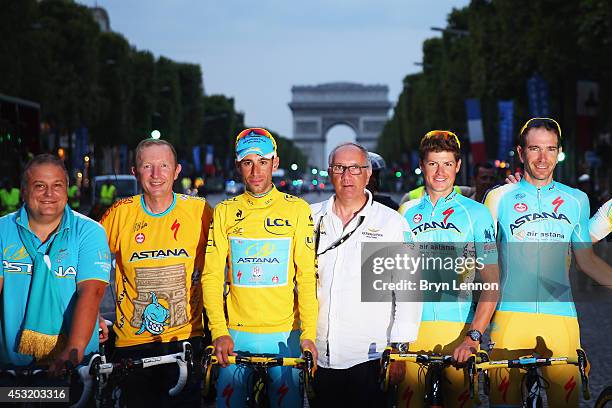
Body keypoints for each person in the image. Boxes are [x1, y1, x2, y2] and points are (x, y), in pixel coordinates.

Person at [484, 118, 612, 407]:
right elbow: (480, 259)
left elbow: (587, 260)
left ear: (559, 152)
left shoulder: (577, 199)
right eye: (535, 149)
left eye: (551, 149)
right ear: (520, 153)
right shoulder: (498, 198)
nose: (543, 158)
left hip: (561, 318)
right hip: (509, 317)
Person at [202, 128, 317, 408]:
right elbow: (212, 275)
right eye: (248, 162)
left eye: (263, 162)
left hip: (286, 334)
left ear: (275, 163)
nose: (255, 171)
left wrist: (309, 335)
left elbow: (306, 277)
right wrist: (218, 331)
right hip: (236, 333)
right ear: (238, 164)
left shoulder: (298, 210)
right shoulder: (224, 211)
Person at [100, 138, 212, 407]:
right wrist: (91, 315)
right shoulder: (118, 215)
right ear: (134, 172)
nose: (156, 174)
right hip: (131, 344)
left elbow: (225, 265)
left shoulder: (200, 212)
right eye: (147, 166)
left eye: (164, 166)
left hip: (186, 340)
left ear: (177, 171)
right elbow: (85, 268)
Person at [310, 142, 422, 407]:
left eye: (355, 168)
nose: (347, 176)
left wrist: (399, 350)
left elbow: (408, 290)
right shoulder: (310, 218)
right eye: (339, 168)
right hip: (317, 354)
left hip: (370, 356)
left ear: (368, 173)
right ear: (329, 172)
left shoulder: (392, 223)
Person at [398, 131, 499, 407]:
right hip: (412, 334)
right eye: (433, 163)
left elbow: (491, 282)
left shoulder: (477, 214)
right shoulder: (405, 212)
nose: (440, 172)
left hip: (459, 334)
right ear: (422, 165)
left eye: (446, 163)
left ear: (457, 166)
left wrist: (474, 336)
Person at [0, 154, 110, 376]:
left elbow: (92, 291)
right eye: (39, 186)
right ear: (23, 191)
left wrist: (73, 351)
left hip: (75, 365)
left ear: (67, 190)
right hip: (12, 367)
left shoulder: (90, 232)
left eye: (57, 186)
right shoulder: (3, 230)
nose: (49, 194)